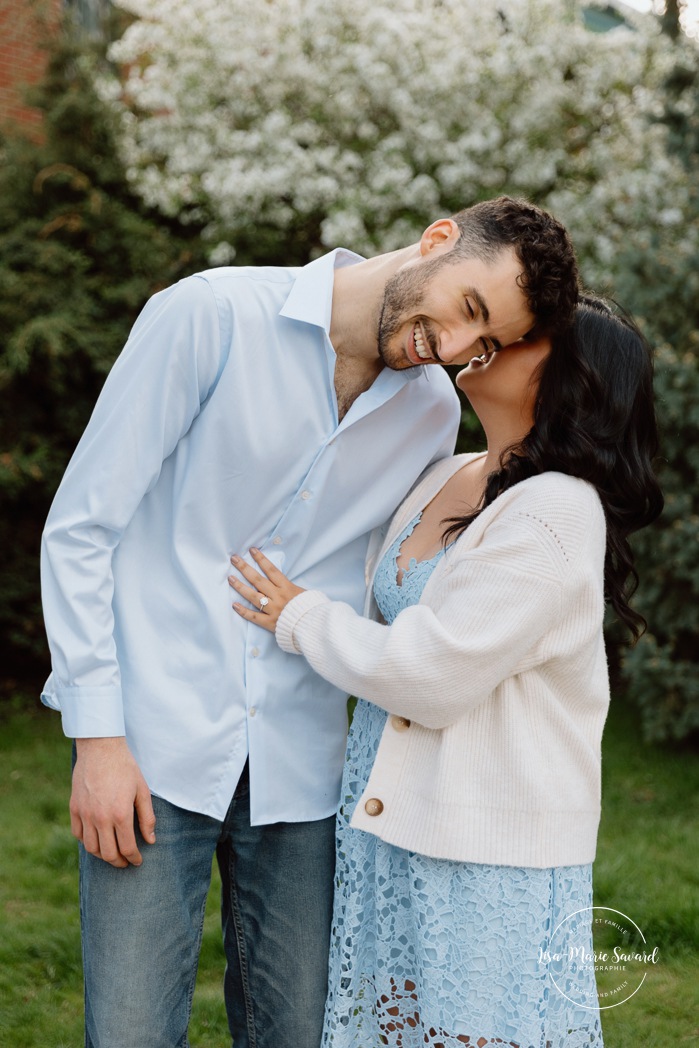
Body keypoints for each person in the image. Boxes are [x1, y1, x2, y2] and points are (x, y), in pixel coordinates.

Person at [40, 195, 578, 1048]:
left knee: (300, 1032)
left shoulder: (431, 412)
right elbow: (82, 530)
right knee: (133, 1031)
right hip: (151, 748)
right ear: (438, 239)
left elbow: (390, 578)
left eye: (485, 344)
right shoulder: (208, 315)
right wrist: (97, 740)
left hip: (305, 765)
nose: (452, 348)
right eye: (467, 310)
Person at [228, 296, 664, 1048]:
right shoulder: (447, 471)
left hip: (481, 847)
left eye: (523, 338)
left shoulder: (555, 512)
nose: (491, 339)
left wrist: (299, 618)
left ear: (569, 378)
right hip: (389, 822)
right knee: (392, 1028)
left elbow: (433, 673)